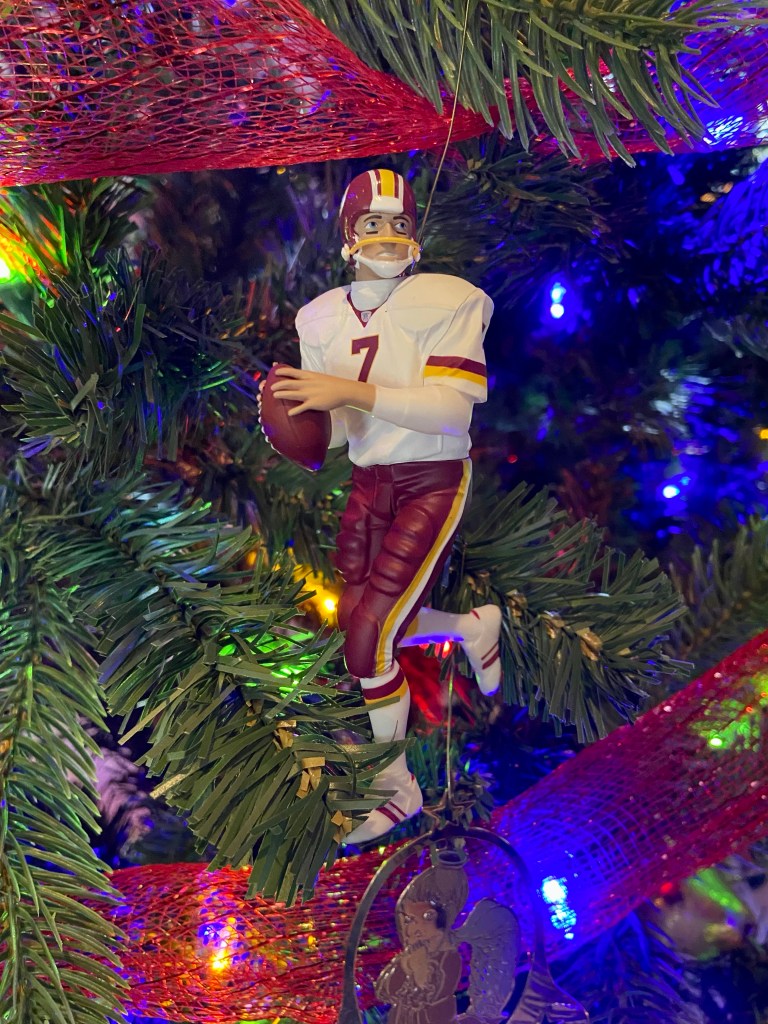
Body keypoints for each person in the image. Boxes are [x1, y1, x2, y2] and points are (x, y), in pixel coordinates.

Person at [268, 168, 502, 843]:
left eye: (400, 223)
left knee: (368, 639)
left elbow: (449, 410)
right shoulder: (320, 316)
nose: (389, 235)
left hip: (432, 477)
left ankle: (397, 787)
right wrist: (297, 420)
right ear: (350, 234)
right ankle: (472, 627)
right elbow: (342, 433)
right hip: (371, 481)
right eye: (374, 223)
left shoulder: (450, 299)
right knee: (363, 620)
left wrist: (347, 392)